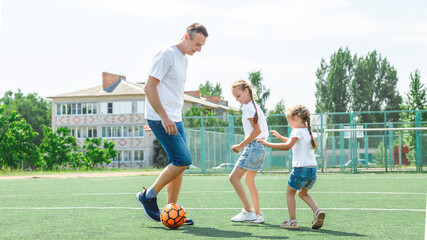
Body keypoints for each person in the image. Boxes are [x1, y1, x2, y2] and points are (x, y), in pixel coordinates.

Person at [136, 23, 208, 226]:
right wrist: (161, 118)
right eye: (197, 44)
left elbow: (171, 91)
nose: (199, 49)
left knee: (179, 165)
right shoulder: (166, 54)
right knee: (183, 159)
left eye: (202, 46)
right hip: (164, 118)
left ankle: (171, 211)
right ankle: (148, 195)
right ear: (186, 36)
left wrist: (169, 118)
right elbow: (149, 87)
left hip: (174, 118)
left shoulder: (183, 59)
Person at [258, 104, 325, 229]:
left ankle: (292, 222)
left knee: (290, 193)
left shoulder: (296, 131)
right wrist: (280, 137)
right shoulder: (307, 131)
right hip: (312, 170)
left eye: (289, 121)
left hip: (301, 169)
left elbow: (288, 146)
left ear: (296, 119)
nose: (288, 124)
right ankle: (317, 212)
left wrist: (267, 143)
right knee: (303, 194)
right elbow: (293, 143)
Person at [229, 80, 269, 224]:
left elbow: (256, 130)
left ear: (246, 91)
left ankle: (248, 211)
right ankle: (258, 214)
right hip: (261, 146)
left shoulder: (248, 107)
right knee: (249, 180)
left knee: (233, 178)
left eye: (238, 96)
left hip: (254, 145)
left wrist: (240, 145)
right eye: (235, 97)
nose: (237, 99)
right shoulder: (254, 106)